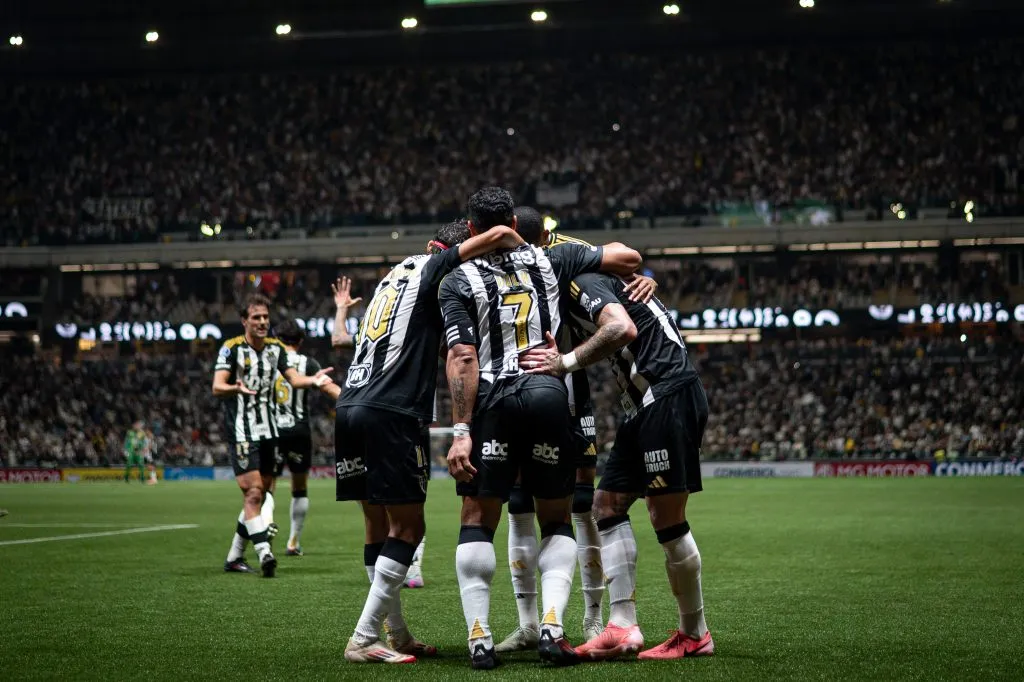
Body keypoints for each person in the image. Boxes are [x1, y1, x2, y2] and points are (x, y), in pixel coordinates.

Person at [439, 187, 642, 669]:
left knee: (478, 519)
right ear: (513, 219)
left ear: (470, 230)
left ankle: (479, 640)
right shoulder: (554, 258)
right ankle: (553, 629)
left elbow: (462, 356)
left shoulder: (457, 276)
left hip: (493, 399)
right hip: (551, 394)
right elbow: (626, 256)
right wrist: (635, 274)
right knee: (558, 518)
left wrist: (461, 430)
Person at [337, 219, 528, 664]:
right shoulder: (435, 268)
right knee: (409, 528)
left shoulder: (392, 277)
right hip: (392, 410)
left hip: (350, 406)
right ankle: (364, 638)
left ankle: (397, 634)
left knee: (377, 527)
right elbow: (498, 236)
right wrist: (530, 250)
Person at [520, 270, 714, 661]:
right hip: (644, 405)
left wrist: (565, 362)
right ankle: (622, 624)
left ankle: (695, 633)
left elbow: (621, 329)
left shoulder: (582, 281)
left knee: (667, 518)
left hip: (666, 395)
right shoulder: (605, 279)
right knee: (606, 503)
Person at [495, 206, 658, 652]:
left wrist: (643, 278)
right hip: (513, 386)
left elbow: (628, 258)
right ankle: (529, 623)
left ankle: (591, 617)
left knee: (582, 501)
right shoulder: (490, 260)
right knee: (519, 500)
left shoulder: (561, 250)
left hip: (564, 384)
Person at [213, 293, 336, 578]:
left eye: (266, 317)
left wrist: (314, 381)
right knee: (254, 492)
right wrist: (235, 389)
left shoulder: (275, 349)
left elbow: (294, 378)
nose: (262, 322)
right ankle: (264, 552)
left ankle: (234, 556)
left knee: (263, 493)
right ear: (244, 320)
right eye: (256, 317)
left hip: (270, 431)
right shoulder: (230, 349)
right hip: (242, 431)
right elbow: (217, 386)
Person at [332, 276, 426, 590]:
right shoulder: (414, 318)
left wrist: (341, 310)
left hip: (354, 409)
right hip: (398, 413)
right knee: (410, 510)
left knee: (375, 517)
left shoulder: (376, 327)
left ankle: (391, 611)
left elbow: (338, 340)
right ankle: (411, 568)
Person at [272, 318, 346, 557]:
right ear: (300, 341)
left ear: (276, 339)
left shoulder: (269, 360)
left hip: (270, 430)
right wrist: (353, 402)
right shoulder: (308, 363)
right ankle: (293, 541)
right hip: (299, 431)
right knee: (299, 487)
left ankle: (264, 535)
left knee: (266, 488)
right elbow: (329, 388)